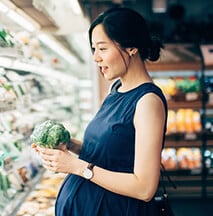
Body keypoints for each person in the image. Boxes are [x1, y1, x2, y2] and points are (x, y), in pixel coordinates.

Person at [32, 6, 167, 216]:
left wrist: (77, 167)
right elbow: (110, 154)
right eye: (94, 49)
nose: (96, 57)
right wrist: (69, 145)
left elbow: (144, 188)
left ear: (131, 47)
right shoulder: (116, 90)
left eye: (102, 49)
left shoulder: (148, 102)